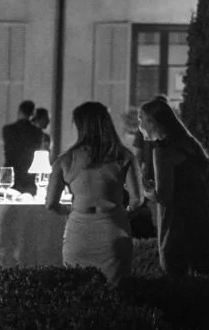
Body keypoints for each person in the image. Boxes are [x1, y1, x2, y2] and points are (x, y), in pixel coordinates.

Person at [43, 102, 141, 285]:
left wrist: (70, 212)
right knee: (116, 293)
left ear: (80, 126)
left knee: (79, 291)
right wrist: (119, 214)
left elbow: (50, 203)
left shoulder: (65, 160)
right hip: (113, 231)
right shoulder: (124, 156)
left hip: (79, 233)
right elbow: (137, 200)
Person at [138, 97, 209, 276]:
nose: (139, 125)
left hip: (177, 224)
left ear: (153, 122)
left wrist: (145, 189)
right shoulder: (189, 144)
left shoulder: (162, 150)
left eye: (141, 119)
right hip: (202, 218)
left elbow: (164, 196)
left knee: (176, 276)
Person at [1, 99, 43, 195]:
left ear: (19, 111)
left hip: (10, 171)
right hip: (28, 174)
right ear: (33, 114)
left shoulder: (7, 129)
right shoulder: (37, 132)